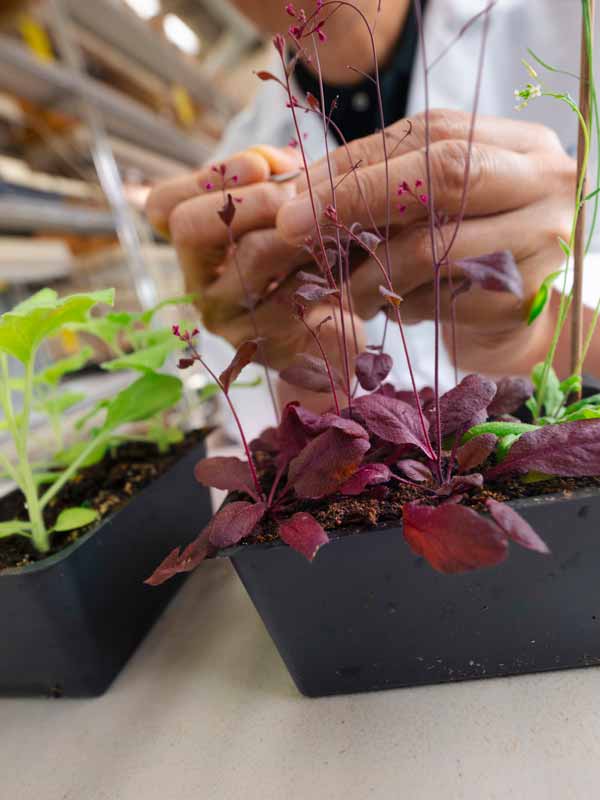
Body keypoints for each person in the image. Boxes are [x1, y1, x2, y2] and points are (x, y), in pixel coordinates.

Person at [146, 0, 600, 415]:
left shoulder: (577, 27)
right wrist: (309, 372)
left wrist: (528, 336)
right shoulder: (233, 183)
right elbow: (259, 427)